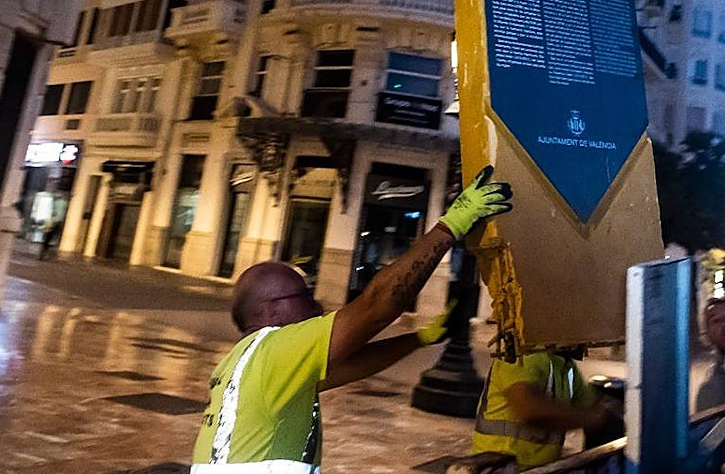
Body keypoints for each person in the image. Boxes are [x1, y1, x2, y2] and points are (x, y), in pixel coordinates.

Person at [191, 165, 513, 472]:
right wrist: (449, 227)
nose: (317, 306)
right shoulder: (274, 349)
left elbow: (352, 364)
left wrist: (421, 337)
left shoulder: (246, 363)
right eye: (305, 296)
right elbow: (376, 306)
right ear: (271, 310)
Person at [471, 349, 620, 470]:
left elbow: (593, 405)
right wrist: (594, 418)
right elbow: (531, 412)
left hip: (540, 469)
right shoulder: (523, 355)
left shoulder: (565, 367)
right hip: (500, 467)